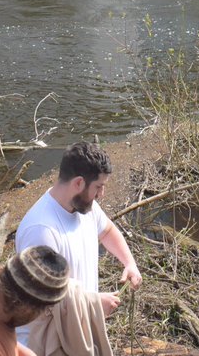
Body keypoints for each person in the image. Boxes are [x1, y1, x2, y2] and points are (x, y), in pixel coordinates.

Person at [14, 142, 142, 349]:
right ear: (79, 183)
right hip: (44, 343)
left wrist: (129, 263)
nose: (102, 194)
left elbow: (107, 231)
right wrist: (93, 304)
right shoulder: (41, 229)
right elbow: (43, 298)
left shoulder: (85, 208)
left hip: (74, 330)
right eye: (99, 187)